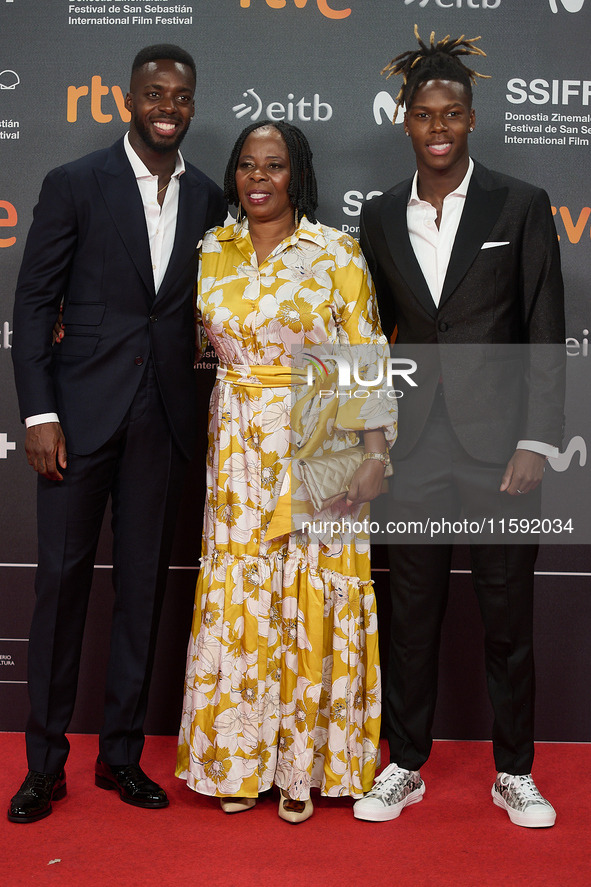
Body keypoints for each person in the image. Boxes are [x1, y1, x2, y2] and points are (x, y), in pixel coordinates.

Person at [8, 44, 227, 823]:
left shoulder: (208, 197)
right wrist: (39, 413)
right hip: (75, 420)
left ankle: (122, 757)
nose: (167, 104)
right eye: (153, 92)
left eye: (180, 94)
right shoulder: (73, 184)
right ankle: (44, 765)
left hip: (164, 420)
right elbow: (33, 305)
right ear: (128, 100)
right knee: (61, 588)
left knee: (141, 592)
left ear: (192, 105)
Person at [353, 28, 565, 828]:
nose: (436, 126)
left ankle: (514, 770)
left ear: (472, 120)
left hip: (500, 448)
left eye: (450, 113)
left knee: (507, 614)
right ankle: (404, 763)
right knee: (409, 614)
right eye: (422, 114)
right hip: (415, 449)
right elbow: (367, 335)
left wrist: (536, 439)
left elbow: (545, 326)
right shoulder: (376, 215)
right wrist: (371, 442)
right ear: (403, 121)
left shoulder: (520, 203)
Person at [175, 120, 397, 823]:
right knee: (239, 593)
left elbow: (364, 356)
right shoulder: (213, 248)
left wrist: (373, 453)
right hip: (236, 441)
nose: (259, 177)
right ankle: (236, 761)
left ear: (296, 174)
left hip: (317, 435)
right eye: (247, 165)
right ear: (234, 174)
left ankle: (301, 767)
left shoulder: (335, 251)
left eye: (274, 165)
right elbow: (187, 334)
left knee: (309, 597)